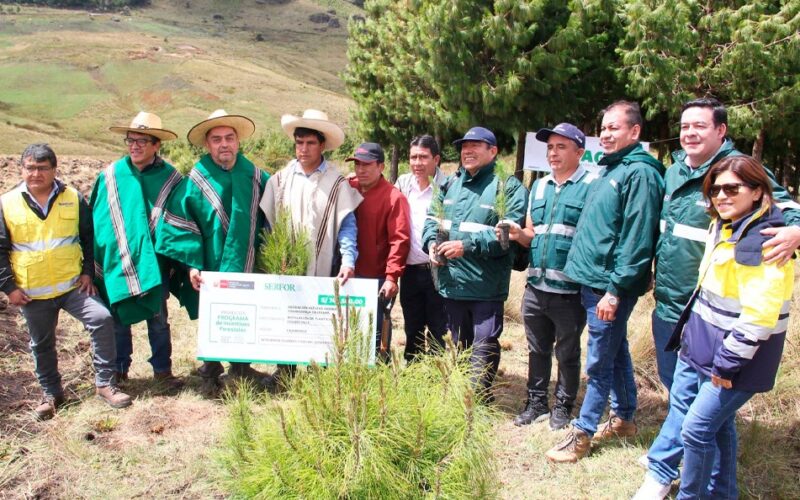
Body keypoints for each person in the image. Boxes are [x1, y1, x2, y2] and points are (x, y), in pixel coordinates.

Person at [635, 98, 800, 497]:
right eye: (684, 126)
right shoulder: (676, 171)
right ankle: (717, 487)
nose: (689, 133)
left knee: (694, 413)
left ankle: (661, 471)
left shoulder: (739, 170)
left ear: (721, 131)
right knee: (689, 402)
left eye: (700, 126)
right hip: (683, 309)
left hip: (724, 327)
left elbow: (785, 212)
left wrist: (797, 232)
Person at [546, 102, 665, 462]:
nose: (607, 134)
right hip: (593, 282)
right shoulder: (611, 168)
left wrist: (615, 291)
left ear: (635, 131)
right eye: (604, 128)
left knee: (598, 363)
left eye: (615, 128)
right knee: (617, 351)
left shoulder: (640, 174)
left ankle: (582, 434)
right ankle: (625, 418)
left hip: (608, 286)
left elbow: (636, 238)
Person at [0, 144, 131, 420]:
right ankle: (52, 394)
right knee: (42, 344)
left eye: (42, 168)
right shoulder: (6, 203)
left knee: (102, 319)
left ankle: (105, 384)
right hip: (32, 292)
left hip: (72, 286)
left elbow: (88, 238)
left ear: (54, 170)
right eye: (30, 168)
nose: (36, 173)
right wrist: (9, 288)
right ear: (21, 169)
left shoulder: (73, 197)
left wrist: (87, 272)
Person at [156, 109, 269, 387]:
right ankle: (210, 367)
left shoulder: (257, 177)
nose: (224, 144)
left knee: (245, 312)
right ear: (208, 144)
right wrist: (192, 264)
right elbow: (182, 224)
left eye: (229, 138)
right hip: (210, 260)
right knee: (212, 312)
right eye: (216, 139)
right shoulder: (196, 179)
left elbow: (273, 217)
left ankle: (241, 367)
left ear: (238, 141)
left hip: (248, 259)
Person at [421, 126, 527, 400]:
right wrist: (430, 244)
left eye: (475, 146)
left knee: (484, 345)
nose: (467, 151)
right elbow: (431, 221)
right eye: (464, 147)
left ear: (493, 151)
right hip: (451, 284)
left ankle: (478, 401)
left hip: (485, 286)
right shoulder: (449, 184)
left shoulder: (507, 187)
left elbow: (506, 236)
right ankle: (461, 399)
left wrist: (465, 246)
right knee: (459, 345)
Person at [259, 109, 362, 380]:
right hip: (288, 263)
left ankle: (321, 375)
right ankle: (286, 372)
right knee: (287, 316)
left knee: (321, 318)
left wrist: (348, 260)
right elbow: (269, 226)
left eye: (310, 143)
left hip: (324, 263)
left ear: (322, 145)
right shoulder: (279, 180)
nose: (303, 149)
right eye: (299, 142)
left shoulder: (337, 183)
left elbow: (347, 225)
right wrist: (272, 259)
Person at [508, 123, 594, 431]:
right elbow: (532, 233)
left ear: (579, 152)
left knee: (567, 352)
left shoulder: (591, 186)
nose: (553, 153)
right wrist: (518, 233)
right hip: (536, 286)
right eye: (549, 148)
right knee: (536, 349)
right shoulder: (540, 187)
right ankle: (536, 404)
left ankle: (563, 406)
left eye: (561, 147)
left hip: (570, 290)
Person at [92, 111, 183, 386]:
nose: (135, 146)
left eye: (142, 141)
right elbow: (98, 219)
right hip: (118, 259)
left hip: (155, 262)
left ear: (156, 145)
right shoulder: (111, 176)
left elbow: (179, 219)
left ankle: (162, 371)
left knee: (158, 318)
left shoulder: (170, 178)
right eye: (131, 140)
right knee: (119, 316)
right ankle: (120, 370)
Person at [346, 142, 411, 357]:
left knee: (375, 329)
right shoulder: (347, 187)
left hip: (377, 277)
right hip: (346, 272)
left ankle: (378, 367)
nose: (360, 169)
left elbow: (399, 240)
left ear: (381, 166)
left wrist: (392, 277)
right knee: (346, 327)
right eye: (357, 164)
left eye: (366, 165)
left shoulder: (394, 198)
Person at [394, 135, 447, 361]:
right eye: (413, 157)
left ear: (436, 159)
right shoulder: (403, 184)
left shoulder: (449, 186)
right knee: (412, 327)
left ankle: (436, 375)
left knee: (438, 329)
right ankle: (413, 373)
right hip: (411, 270)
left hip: (439, 270)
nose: (417, 163)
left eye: (423, 157)